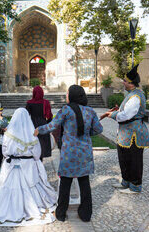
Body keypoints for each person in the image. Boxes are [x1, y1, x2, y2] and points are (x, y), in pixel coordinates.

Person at [34, 85, 103, 222]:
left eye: (67, 93)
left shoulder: (66, 110)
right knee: (84, 183)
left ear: (72, 96)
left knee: (65, 183)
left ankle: (60, 213)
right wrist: (86, 133)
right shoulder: (90, 111)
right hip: (85, 152)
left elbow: (52, 126)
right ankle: (85, 214)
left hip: (69, 153)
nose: (66, 96)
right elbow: (98, 129)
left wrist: (39, 130)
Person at [0, 108, 57, 226]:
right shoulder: (31, 135)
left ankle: (9, 206)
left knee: (8, 187)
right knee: (32, 186)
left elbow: (5, 151)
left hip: (12, 165)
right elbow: (37, 153)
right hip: (28, 166)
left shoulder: (8, 134)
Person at [101, 64, 149, 194]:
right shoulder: (130, 94)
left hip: (134, 133)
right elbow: (125, 112)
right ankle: (126, 181)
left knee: (134, 159)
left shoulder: (136, 96)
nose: (123, 82)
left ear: (131, 83)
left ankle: (135, 186)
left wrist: (112, 115)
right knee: (124, 158)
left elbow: (126, 115)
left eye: (125, 81)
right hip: (125, 133)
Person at [26, 86, 53, 160]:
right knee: (42, 145)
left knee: (34, 145)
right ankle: (40, 162)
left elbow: (26, 116)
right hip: (43, 125)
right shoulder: (46, 102)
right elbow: (49, 116)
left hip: (33, 126)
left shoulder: (29, 103)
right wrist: (47, 125)